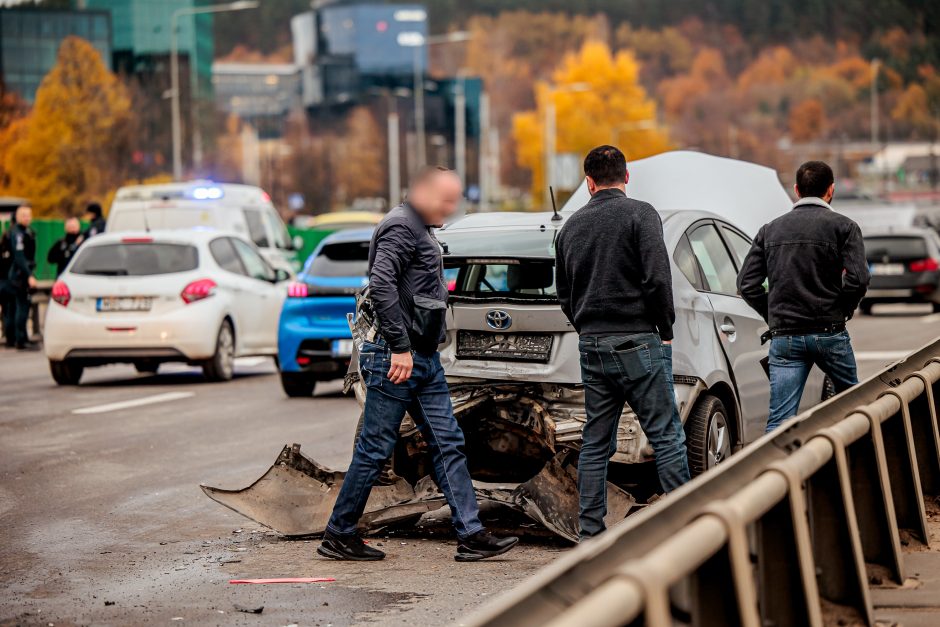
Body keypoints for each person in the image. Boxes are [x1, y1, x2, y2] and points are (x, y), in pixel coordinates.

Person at [318, 166, 518, 562]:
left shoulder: (420, 228)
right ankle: (339, 533)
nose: (451, 206)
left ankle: (471, 535)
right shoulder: (400, 226)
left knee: (448, 443)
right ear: (423, 193)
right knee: (375, 450)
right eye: (446, 199)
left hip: (422, 359)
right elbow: (382, 284)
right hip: (397, 359)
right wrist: (399, 347)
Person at [555, 146, 691, 540]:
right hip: (638, 342)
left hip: (592, 344)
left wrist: (586, 327)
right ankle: (684, 527)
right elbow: (657, 278)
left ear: (589, 183)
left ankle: (590, 533)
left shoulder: (570, 228)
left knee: (596, 441)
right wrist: (664, 327)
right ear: (626, 177)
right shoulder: (641, 214)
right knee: (666, 434)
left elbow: (564, 292)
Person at [738, 161, 869, 432]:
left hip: (785, 337)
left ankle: (774, 472)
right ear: (831, 190)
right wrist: (842, 309)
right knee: (855, 405)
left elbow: (747, 285)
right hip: (829, 332)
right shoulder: (844, 227)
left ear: (796, 190)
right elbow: (859, 279)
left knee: (780, 420)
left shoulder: (769, 230)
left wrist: (774, 314)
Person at [1, 205, 38, 350]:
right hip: (19, 276)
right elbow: (20, 257)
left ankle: (13, 338)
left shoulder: (17, 232)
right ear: (17, 217)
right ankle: (20, 340)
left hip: (12, 276)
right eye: (24, 215)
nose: (27, 218)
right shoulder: (18, 234)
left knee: (12, 308)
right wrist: (29, 275)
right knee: (21, 307)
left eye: (28, 215)